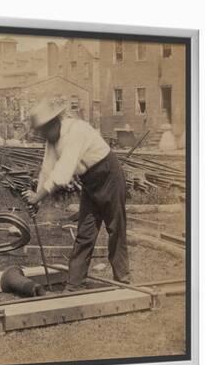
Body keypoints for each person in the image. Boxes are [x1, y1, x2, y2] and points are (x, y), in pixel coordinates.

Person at [22, 99, 130, 290]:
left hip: (109, 174)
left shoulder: (76, 130)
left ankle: (123, 281)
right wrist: (37, 200)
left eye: (43, 130)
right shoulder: (52, 140)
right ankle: (73, 285)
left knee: (115, 228)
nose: (42, 135)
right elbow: (47, 170)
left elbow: (63, 172)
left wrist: (39, 196)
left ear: (54, 122)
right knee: (85, 232)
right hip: (90, 181)